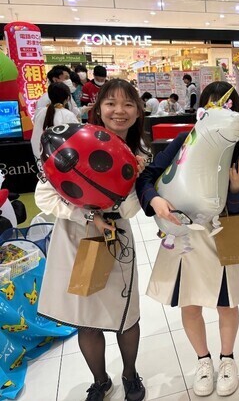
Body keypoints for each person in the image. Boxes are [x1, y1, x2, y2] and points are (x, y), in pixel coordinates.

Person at [136, 81, 239, 398]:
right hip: (183, 236)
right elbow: (147, 178)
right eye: (210, 107)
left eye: (225, 108)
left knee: (226, 303)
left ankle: (227, 359)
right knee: (189, 303)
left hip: (221, 238)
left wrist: (235, 188)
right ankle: (203, 360)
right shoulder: (182, 142)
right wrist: (155, 200)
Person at [35, 78, 152, 401]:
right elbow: (44, 195)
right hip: (76, 238)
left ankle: (130, 375)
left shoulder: (140, 153)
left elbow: (130, 211)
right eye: (111, 103)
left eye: (128, 104)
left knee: (126, 314)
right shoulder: (75, 141)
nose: (119, 111)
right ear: (98, 108)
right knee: (86, 319)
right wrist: (88, 216)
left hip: (116, 239)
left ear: (138, 111)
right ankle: (101, 381)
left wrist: (135, 179)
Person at [30, 82, 79, 159]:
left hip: (41, 157)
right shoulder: (68, 115)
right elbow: (76, 140)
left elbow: (35, 138)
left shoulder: (41, 112)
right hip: (63, 161)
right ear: (68, 98)